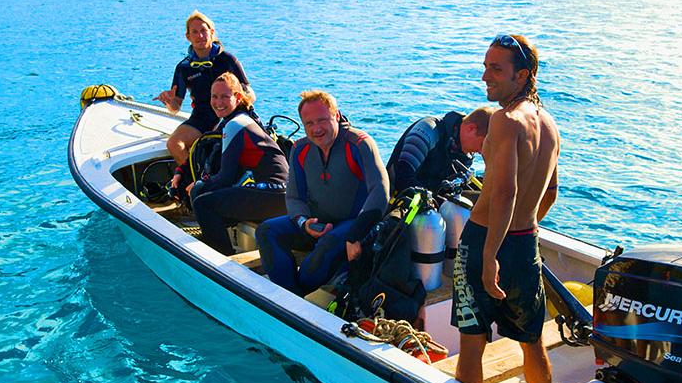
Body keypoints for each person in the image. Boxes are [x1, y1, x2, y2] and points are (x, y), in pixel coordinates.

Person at [452, 34, 560, 383]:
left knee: (472, 342)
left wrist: (489, 256)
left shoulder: (505, 120)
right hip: (526, 243)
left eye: (496, 69)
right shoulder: (549, 125)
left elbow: (503, 193)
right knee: (532, 342)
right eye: (485, 67)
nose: (485, 76)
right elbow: (550, 192)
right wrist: (522, 233)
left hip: (486, 241)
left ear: (522, 75)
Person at [256, 91, 390, 296]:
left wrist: (356, 234)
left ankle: (293, 296)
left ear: (336, 116)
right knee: (266, 230)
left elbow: (380, 191)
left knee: (310, 272)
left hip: (352, 226)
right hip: (316, 224)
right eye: (309, 123)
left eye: (322, 120)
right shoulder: (300, 149)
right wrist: (304, 222)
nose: (316, 129)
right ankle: (290, 298)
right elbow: (293, 197)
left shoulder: (359, 143)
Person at [187, 73, 288, 256]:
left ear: (238, 97)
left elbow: (225, 178)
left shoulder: (235, 124)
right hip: (280, 195)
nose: (218, 102)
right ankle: (220, 240)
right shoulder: (241, 120)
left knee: (203, 202)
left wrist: (200, 184)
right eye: (214, 96)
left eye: (225, 96)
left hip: (275, 196)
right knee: (206, 193)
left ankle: (220, 258)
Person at [155, 10, 252, 190]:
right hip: (203, 117)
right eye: (194, 32)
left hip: (230, 116)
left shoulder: (227, 60)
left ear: (212, 32)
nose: (200, 35)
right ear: (187, 36)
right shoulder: (184, 67)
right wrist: (169, 101)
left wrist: (236, 99)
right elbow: (176, 107)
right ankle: (199, 183)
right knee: (174, 143)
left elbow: (250, 94)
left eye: (204, 30)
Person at [386, 107, 494, 196]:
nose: (481, 152)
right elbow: (402, 176)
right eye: (481, 145)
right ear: (471, 128)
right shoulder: (428, 130)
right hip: (398, 199)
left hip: (433, 200)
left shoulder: (465, 153)